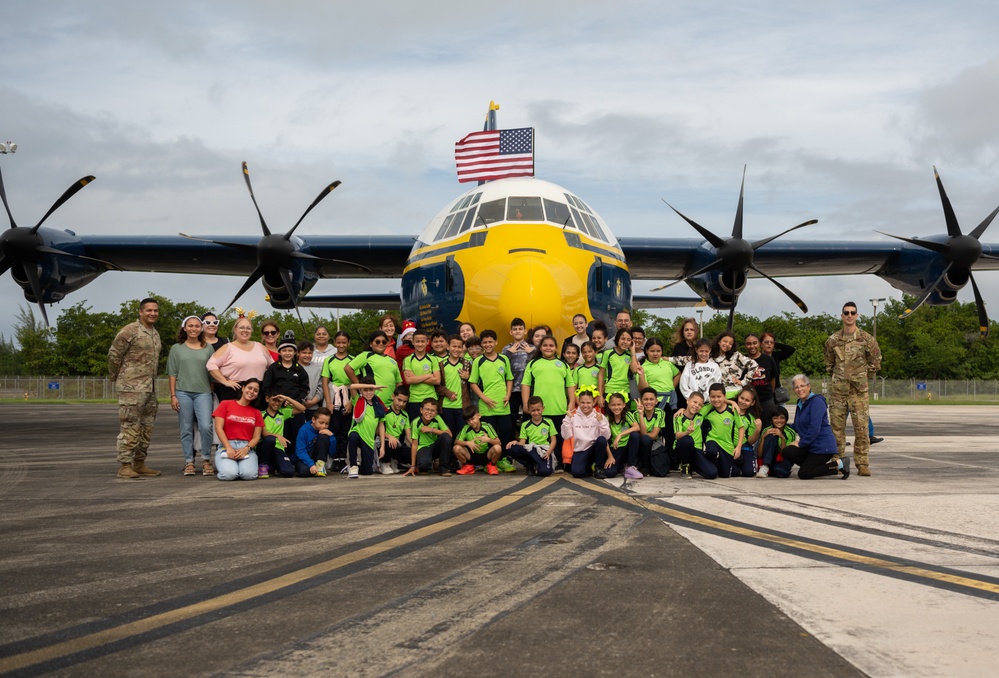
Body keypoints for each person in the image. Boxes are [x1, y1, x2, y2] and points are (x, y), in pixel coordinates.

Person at [824, 301, 882, 476]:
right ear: (842, 315)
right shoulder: (833, 340)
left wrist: (862, 377)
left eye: (852, 313)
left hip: (858, 392)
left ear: (857, 316)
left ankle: (862, 463)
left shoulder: (866, 339)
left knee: (862, 429)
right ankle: (837, 461)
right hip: (838, 392)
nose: (849, 315)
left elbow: (875, 362)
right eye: (846, 312)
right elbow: (829, 363)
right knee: (836, 429)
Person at [109, 298, 163, 479]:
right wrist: (116, 377)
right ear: (140, 312)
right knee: (130, 427)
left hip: (150, 388)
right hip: (131, 389)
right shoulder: (129, 331)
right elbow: (114, 355)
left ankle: (139, 463)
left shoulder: (154, 333)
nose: (153, 313)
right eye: (149, 310)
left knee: (146, 428)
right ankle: (125, 465)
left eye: (155, 310)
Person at [167, 315, 215, 476]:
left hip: (203, 393)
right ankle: (189, 462)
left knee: (206, 426)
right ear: (184, 328)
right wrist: (173, 395)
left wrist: (209, 389)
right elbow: (172, 373)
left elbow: (212, 372)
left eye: (196, 326)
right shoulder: (176, 348)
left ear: (201, 328)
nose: (194, 329)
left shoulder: (208, 348)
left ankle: (206, 459)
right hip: (183, 392)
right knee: (186, 428)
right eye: (190, 326)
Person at [783, 375, 850, 480]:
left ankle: (839, 464)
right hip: (811, 446)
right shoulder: (800, 403)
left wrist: (800, 443)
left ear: (809, 386)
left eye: (802, 386)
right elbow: (797, 425)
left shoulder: (817, 402)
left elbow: (814, 428)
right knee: (787, 451)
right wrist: (781, 427)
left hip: (822, 447)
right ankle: (813, 467)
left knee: (804, 473)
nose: (799, 389)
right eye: (796, 387)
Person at [521, 334, 574, 465]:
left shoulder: (563, 364)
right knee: (538, 440)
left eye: (551, 345)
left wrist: (571, 402)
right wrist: (525, 403)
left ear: (556, 348)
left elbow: (570, 384)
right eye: (545, 345)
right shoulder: (533, 363)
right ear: (540, 347)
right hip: (539, 411)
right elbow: (525, 384)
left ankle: (559, 463)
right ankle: (535, 463)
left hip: (559, 409)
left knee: (559, 440)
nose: (548, 348)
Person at [207, 313, 273, 403]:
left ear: (252, 330)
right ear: (235, 330)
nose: (245, 330)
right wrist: (224, 381)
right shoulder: (228, 347)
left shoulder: (260, 346)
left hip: (257, 392)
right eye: (241, 327)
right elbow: (211, 365)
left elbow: (273, 366)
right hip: (234, 390)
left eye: (248, 328)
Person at [261, 331, 310, 442]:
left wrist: (293, 401)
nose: (287, 353)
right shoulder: (273, 368)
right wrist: (279, 401)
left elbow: (305, 388)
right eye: (284, 350)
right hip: (278, 408)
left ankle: (296, 458)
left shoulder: (300, 369)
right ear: (279, 352)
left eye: (290, 350)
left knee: (297, 436)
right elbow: (266, 388)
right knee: (280, 435)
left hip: (295, 409)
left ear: (295, 353)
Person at [469, 329, 514, 450]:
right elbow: (473, 383)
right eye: (485, 342)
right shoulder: (478, 361)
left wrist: (508, 395)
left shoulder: (504, 359)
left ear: (496, 342)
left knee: (506, 431)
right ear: (481, 345)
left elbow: (509, 379)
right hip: (486, 406)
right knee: (489, 433)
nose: (488, 345)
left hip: (503, 404)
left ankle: (504, 459)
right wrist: (484, 398)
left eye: (490, 342)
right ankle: (491, 461)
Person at [212, 378, 263, 481]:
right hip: (226, 445)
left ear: (257, 395)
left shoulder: (257, 413)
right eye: (249, 388)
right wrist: (228, 447)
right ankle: (230, 467)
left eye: (255, 390)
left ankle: (239, 467)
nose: (252, 392)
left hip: (246, 447)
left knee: (249, 475)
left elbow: (257, 436)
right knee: (229, 475)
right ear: (243, 388)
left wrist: (246, 449)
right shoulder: (225, 404)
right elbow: (218, 428)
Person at [562, 387, 611, 479]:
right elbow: (566, 435)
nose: (585, 405)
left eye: (588, 403)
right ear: (578, 402)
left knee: (601, 440)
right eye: (582, 402)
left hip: (594, 448)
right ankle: (588, 468)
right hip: (580, 450)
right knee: (577, 473)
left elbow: (607, 437)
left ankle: (598, 468)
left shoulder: (599, 416)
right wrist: (567, 419)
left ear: (593, 402)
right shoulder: (573, 416)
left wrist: (601, 422)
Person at [256, 389, 305, 478]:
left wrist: (287, 398)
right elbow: (264, 433)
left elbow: (302, 409)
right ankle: (263, 465)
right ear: (267, 399)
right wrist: (277, 435)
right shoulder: (261, 414)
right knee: (270, 439)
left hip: (278, 447)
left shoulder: (283, 412)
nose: (277, 403)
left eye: (279, 401)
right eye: (274, 400)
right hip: (264, 446)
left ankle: (272, 466)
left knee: (289, 472)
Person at [702, 382, 747, 478]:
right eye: (713, 397)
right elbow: (692, 410)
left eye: (719, 396)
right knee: (711, 451)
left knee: (726, 474)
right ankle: (713, 464)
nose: (716, 399)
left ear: (725, 396)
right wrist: (681, 409)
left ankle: (722, 466)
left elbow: (741, 428)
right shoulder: (708, 409)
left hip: (727, 445)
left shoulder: (732, 410)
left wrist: (738, 447)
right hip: (712, 440)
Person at [320, 330, 354, 457]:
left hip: (348, 395)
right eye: (338, 342)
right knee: (334, 428)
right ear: (334, 343)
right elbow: (325, 381)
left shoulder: (353, 360)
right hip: (334, 396)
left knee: (345, 430)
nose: (341, 345)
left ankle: (342, 457)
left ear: (348, 343)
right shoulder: (329, 360)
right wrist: (328, 402)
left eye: (344, 342)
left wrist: (351, 402)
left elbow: (356, 382)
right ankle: (334, 458)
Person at [506, 395, 557, 476]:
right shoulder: (525, 425)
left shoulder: (549, 422)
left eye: (538, 410)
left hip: (544, 450)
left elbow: (554, 440)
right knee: (510, 448)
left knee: (545, 472)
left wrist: (548, 452)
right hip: (531, 449)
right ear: (528, 410)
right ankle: (529, 465)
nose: (536, 413)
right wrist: (516, 442)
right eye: (533, 410)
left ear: (543, 409)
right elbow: (523, 442)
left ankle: (537, 463)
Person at [347, 379, 388, 477]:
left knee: (367, 471)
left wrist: (382, 446)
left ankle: (355, 467)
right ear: (361, 390)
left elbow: (381, 425)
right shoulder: (357, 399)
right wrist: (372, 386)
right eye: (366, 390)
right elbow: (352, 386)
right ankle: (353, 466)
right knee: (353, 436)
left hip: (369, 439)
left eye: (371, 389)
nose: (369, 392)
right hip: (358, 432)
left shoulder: (379, 404)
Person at [403, 398, 453, 476]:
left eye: (432, 411)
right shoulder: (416, 422)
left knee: (446, 437)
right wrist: (412, 466)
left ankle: (444, 468)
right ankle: (425, 464)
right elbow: (414, 445)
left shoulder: (438, 419)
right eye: (427, 409)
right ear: (421, 410)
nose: (429, 412)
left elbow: (449, 434)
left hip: (435, 446)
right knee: (424, 467)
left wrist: (432, 430)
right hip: (423, 447)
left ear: (436, 413)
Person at [346, 330, 403, 394]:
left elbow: (398, 383)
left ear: (387, 344)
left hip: (390, 402)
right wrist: (360, 386)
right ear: (371, 344)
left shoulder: (393, 361)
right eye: (377, 342)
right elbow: (348, 368)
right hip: (371, 400)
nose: (381, 344)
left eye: (384, 342)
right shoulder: (366, 355)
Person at [402, 328, 441, 421]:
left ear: (427, 342)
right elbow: (409, 380)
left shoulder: (433, 359)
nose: (420, 344)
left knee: (431, 429)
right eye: (417, 341)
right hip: (414, 399)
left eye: (422, 341)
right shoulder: (408, 360)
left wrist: (415, 378)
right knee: (415, 428)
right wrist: (428, 375)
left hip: (431, 398)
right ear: (413, 342)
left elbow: (437, 380)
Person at [502, 318, 533, 428]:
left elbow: (537, 365)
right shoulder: (506, 349)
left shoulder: (532, 348)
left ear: (525, 331)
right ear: (511, 332)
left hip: (528, 389)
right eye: (515, 329)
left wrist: (531, 353)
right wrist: (509, 353)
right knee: (511, 417)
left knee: (528, 416)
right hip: (512, 389)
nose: (517, 331)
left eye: (520, 329)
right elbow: (501, 367)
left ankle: (526, 442)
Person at [453, 407, 502, 475]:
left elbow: (498, 442)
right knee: (456, 448)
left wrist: (488, 439)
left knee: (498, 448)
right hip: (472, 455)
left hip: (486, 455)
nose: (471, 422)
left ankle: (492, 466)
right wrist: (468, 443)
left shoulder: (487, 426)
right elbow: (456, 442)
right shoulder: (466, 428)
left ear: (479, 416)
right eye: (468, 420)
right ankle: (467, 466)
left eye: (472, 419)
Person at [672, 391, 710, 479]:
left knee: (710, 473)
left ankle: (692, 465)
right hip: (681, 448)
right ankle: (684, 466)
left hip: (696, 449)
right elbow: (677, 435)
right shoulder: (679, 417)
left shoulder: (700, 414)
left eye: (700, 404)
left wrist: (732, 402)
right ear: (688, 401)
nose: (696, 406)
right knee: (687, 440)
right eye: (695, 402)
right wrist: (687, 432)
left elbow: (715, 401)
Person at [711, 331, 760, 398]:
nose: (727, 344)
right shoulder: (710, 357)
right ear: (719, 341)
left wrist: (744, 382)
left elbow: (753, 365)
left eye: (730, 344)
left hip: (735, 392)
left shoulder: (736, 356)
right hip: (717, 394)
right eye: (725, 341)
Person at [438, 334, 469, 437]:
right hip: (446, 406)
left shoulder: (466, 364)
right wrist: (447, 392)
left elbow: (475, 383)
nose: (456, 349)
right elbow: (437, 385)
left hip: (462, 406)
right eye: (454, 346)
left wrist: (469, 377)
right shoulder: (441, 364)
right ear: (448, 347)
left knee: (461, 435)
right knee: (449, 434)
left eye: (459, 347)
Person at [606, 392, 641, 479]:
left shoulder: (627, 414)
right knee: (609, 473)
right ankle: (621, 467)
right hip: (616, 447)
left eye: (619, 404)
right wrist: (610, 456)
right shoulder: (607, 418)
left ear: (624, 405)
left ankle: (630, 466)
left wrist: (620, 435)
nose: (616, 407)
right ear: (609, 406)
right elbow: (604, 438)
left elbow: (637, 427)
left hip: (628, 446)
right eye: (613, 405)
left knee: (635, 435)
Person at [292, 406, 334, 478]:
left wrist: (332, 437)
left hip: (316, 457)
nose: (324, 426)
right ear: (313, 419)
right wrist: (311, 464)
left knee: (324, 437)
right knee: (304, 472)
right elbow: (300, 451)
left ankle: (320, 465)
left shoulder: (326, 431)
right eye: (321, 423)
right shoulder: (303, 430)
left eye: (327, 423)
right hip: (303, 458)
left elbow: (332, 453)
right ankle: (312, 467)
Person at [755, 406, 796, 478]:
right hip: (769, 458)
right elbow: (759, 454)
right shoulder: (767, 430)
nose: (779, 420)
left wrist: (782, 437)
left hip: (783, 458)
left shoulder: (791, 432)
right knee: (771, 436)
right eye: (775, 418)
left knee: (781, 473)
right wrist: (763, 437)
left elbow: (787, 454)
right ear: (771, 420)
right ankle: (765, 466)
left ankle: (774, 469)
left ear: (786, 420)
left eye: (782, 418)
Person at [744, 333, 778, 421]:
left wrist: (770, 394)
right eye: (749, 344)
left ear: (759, 344)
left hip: (766, 400)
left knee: (768, 427)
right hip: (749, 401)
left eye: (754, 343)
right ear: (745, 345)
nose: (752, 346)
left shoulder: (768, 359)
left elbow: (773, 379)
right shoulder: (742, 361)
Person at [731, 386, 763, 477]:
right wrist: (731, 402)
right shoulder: (729, 410)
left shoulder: (751, 418)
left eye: (747, 400)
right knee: (733, 473)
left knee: (749, 473)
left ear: (752, 403)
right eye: (742, 398)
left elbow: (750, 441)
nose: (743, 402)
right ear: (738, 396)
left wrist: (757, 430)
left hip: (744, 447)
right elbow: (719, 398)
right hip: (728, 446)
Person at [637, 387, 668, 476]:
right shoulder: (636, 413)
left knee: (659, 472)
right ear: (641, 401)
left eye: (651, 399)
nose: (648, 402)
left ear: (656, 401)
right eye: (645, 399)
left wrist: (646, 435)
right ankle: (645, 468)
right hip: (642, 444)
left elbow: (654, 435)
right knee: (644, 439)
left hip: (655, 442)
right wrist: (641, 414)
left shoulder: (660, 413)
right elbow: (643, 436)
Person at [379, 386, 411, 475]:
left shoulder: (405, 415)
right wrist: (390, 437)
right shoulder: (385, 411)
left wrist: (416, 447)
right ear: (393, 396)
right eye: (399, 400)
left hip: (398, 444)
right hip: (384, 442)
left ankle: (394, 460)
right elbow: (377, 431)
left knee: (411, 455)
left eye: (404, 402)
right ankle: (384, 463)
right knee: (391, 444)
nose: (401, 404)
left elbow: (408, 436)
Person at [296, 340, 325, 416]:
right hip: (295, 407)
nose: (307, 355)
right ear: (298, 353)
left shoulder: (317, 370)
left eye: (310, 353)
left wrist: (313, 402)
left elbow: (321, 388)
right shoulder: (292, 368)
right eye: (304, 353)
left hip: (313, 408)